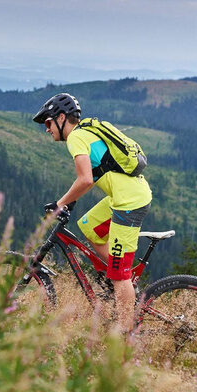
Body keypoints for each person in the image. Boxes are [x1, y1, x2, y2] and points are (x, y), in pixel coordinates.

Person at [33, 93, 152, 333]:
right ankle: (120, 279)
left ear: (62, 117)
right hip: (126, 194)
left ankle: (125, 335)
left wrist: (60, 203)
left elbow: (85, 179)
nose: (47, 129)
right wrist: (70, 201)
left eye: (48, 122)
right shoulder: (87, 131)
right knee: (88, 225)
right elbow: (96, 173)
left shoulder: (76, 138)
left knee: (119, 274)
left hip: (128, 201)